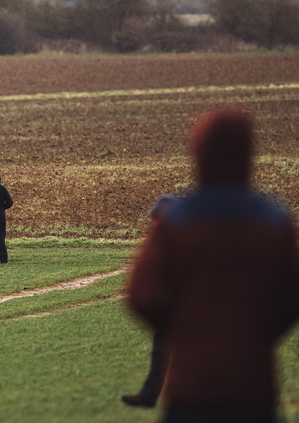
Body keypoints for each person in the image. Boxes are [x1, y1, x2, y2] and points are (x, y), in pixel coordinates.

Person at [128, 107, 299, 422]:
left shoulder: (175, 222)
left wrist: (181, 329)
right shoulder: (275, 222)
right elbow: (292, 297)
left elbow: (141, 294)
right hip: (254, 385)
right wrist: (259, 333)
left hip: (190, 385)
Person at [121, 194, 177, 408]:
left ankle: (149, 395)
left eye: (156, 217)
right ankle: (149, 394)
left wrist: (159, 318)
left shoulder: (165, 239)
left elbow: (140, 292)